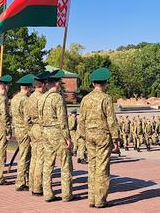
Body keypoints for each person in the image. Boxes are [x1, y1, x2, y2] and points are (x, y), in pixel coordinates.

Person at [78, 67, 119, 208]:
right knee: (102, 168)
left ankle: (92, 198)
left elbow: (81, 119)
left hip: (89, 135)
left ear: (93, 83)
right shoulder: (106, 98)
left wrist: (82, 136)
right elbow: (111, 120)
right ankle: (100, 199)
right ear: (105, 83)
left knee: (92, 166)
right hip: (102, 135)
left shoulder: (85, 99)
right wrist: (116, 139)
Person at [39, 70, 74, 202]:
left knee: (48, 163)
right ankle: (67, 194)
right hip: (57, 133)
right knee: (65, 163)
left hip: (46, 132)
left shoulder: (42, 97)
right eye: (59, 82)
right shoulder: (57, 98)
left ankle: (47, 193)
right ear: (56, 83)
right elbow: (62, 120)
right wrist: (67, 138)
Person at [25, 71, 49, 195]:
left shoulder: (30, 98)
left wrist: (30, 130)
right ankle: (38, 187)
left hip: (33, 129)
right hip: (40, 128)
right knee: (40, 159)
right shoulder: (42, 98)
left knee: (34, 158)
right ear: (43, 84)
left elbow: (26, 118)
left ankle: (32, 184)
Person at [11, 74, 34, 191]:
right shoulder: (25, 100)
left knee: (23, 154)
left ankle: (25, 180)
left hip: (18, 129)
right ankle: (20, 182)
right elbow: (27, 118)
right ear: (28, 88)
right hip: (25, 130)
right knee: (25, 156)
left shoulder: (15, 98)